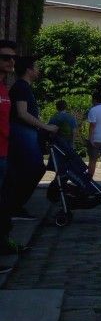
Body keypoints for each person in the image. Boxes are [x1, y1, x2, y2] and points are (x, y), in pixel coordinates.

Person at [6, 56, 57, 215]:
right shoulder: (21, 87)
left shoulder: (23, 87)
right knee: (34, 168)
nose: (38, 70)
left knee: (28, 169)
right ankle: (15, 206)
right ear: (29, 70)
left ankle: (15, 206)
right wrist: (45, 126)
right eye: (36, 67)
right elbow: (22, 113)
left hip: (25, 133)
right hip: (22, 132)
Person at [0, 40, 20, 257]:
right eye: (5, 57)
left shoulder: (5, 88)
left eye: (12, 58)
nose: (10, 61)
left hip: (4, 153)